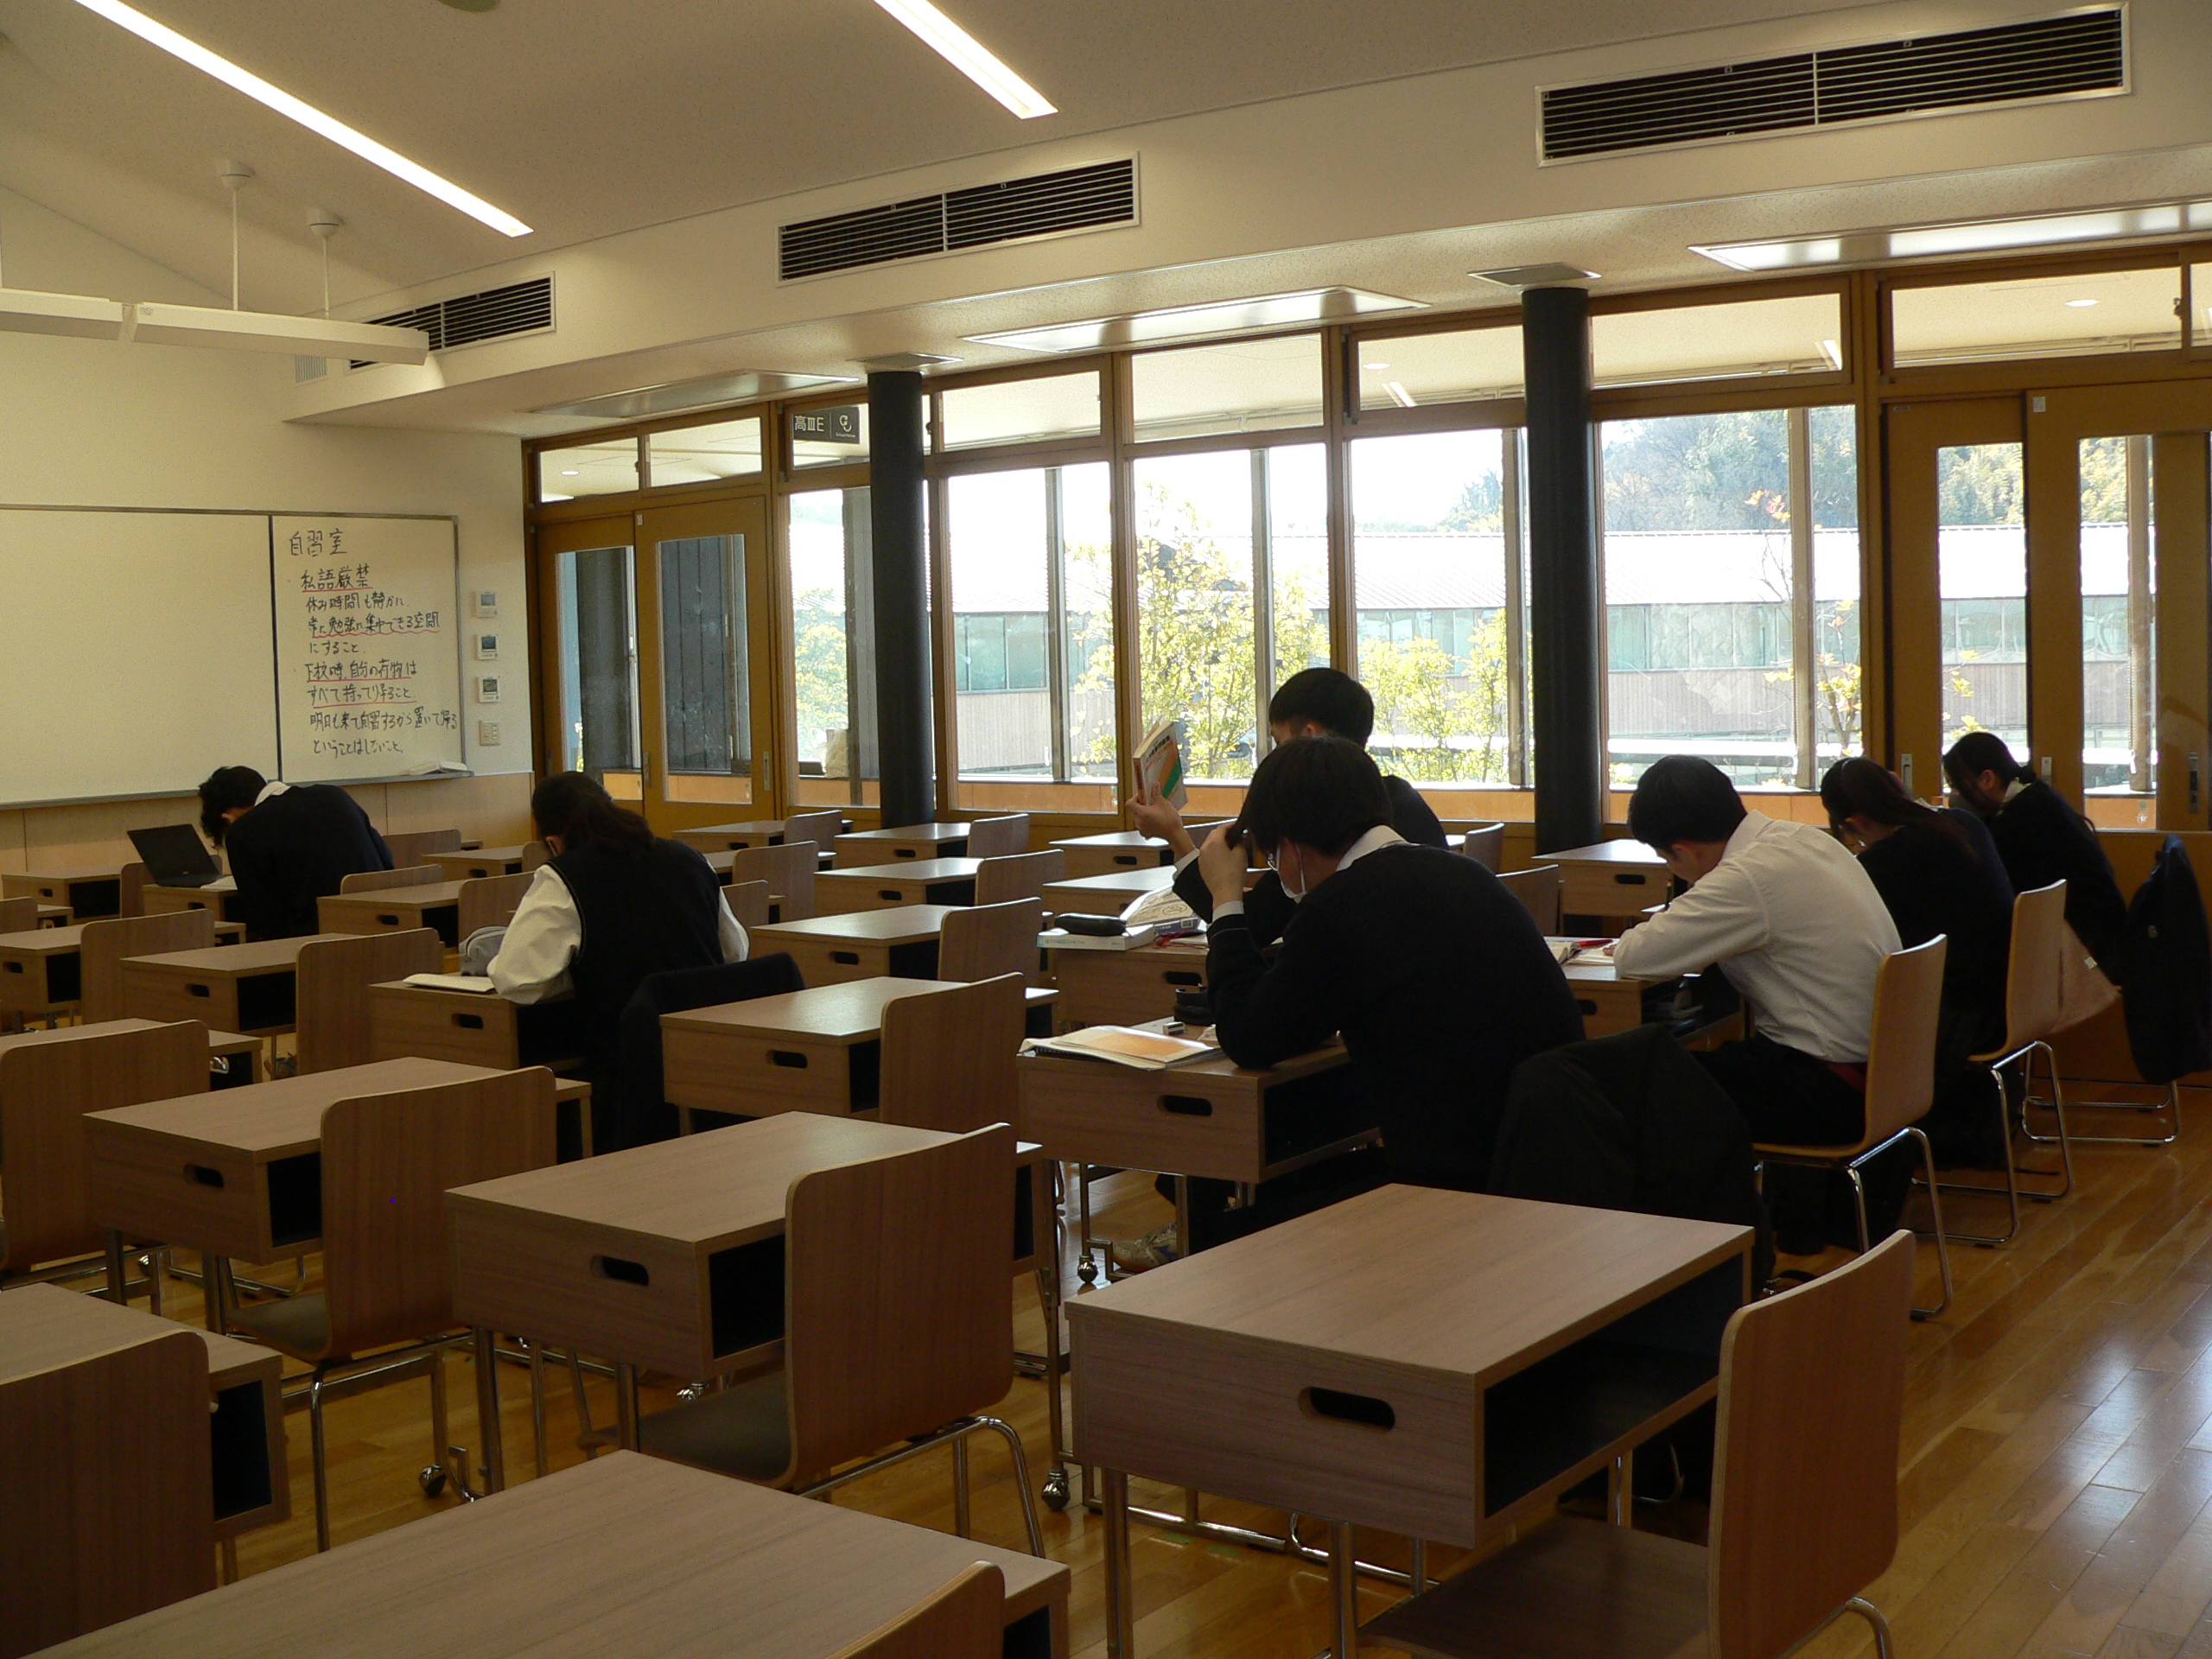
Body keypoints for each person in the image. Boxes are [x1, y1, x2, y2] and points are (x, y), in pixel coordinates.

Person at [1193, 735, 1583, 1192]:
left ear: (1291, 847)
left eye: (1274, 857)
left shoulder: (1340, 906)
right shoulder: (1466, 874)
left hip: (1457, 1185)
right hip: (1555, 1157)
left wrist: (1225, 897)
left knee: (1226, 1199)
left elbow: (1247, 1036)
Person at [1611, 758, 1900, 1217]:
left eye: (1667, 859)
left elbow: (1634, 957)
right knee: (1685, 1068)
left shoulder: (1745, 875)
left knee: (1640, 1086)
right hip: (1885, 1076)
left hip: (1827, 1090)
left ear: (1683, 851)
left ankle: (1694, 1235)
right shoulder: (1803, 838)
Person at [1128, 666, 1447, 945]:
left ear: (1310, 737)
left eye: (1279, 743)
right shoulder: (1399, 800)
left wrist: (1177, 839)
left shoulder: (1324, 821)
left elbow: (1254, 924)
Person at [491, 773, 747, 1108]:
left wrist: (575, 972)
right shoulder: (690, 858)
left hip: (630, 1069)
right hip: (712, 1054)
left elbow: (516, 981)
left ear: (553, 843)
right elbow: (734, 951)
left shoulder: (563, 876)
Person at [1943, 731, 2127, 975]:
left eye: (1956, 786)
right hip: (2098, 936)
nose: (1955, 796)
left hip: (2086, 952)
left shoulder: (2021, 822)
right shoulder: (2036, 797)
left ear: (1987, 779)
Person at [198, 765, 393, 941]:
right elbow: (386, 860)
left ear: (227, 817)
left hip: (312, 942)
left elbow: (262, 914)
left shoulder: (245, 830)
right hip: (382, 925)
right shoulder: (333, 795)